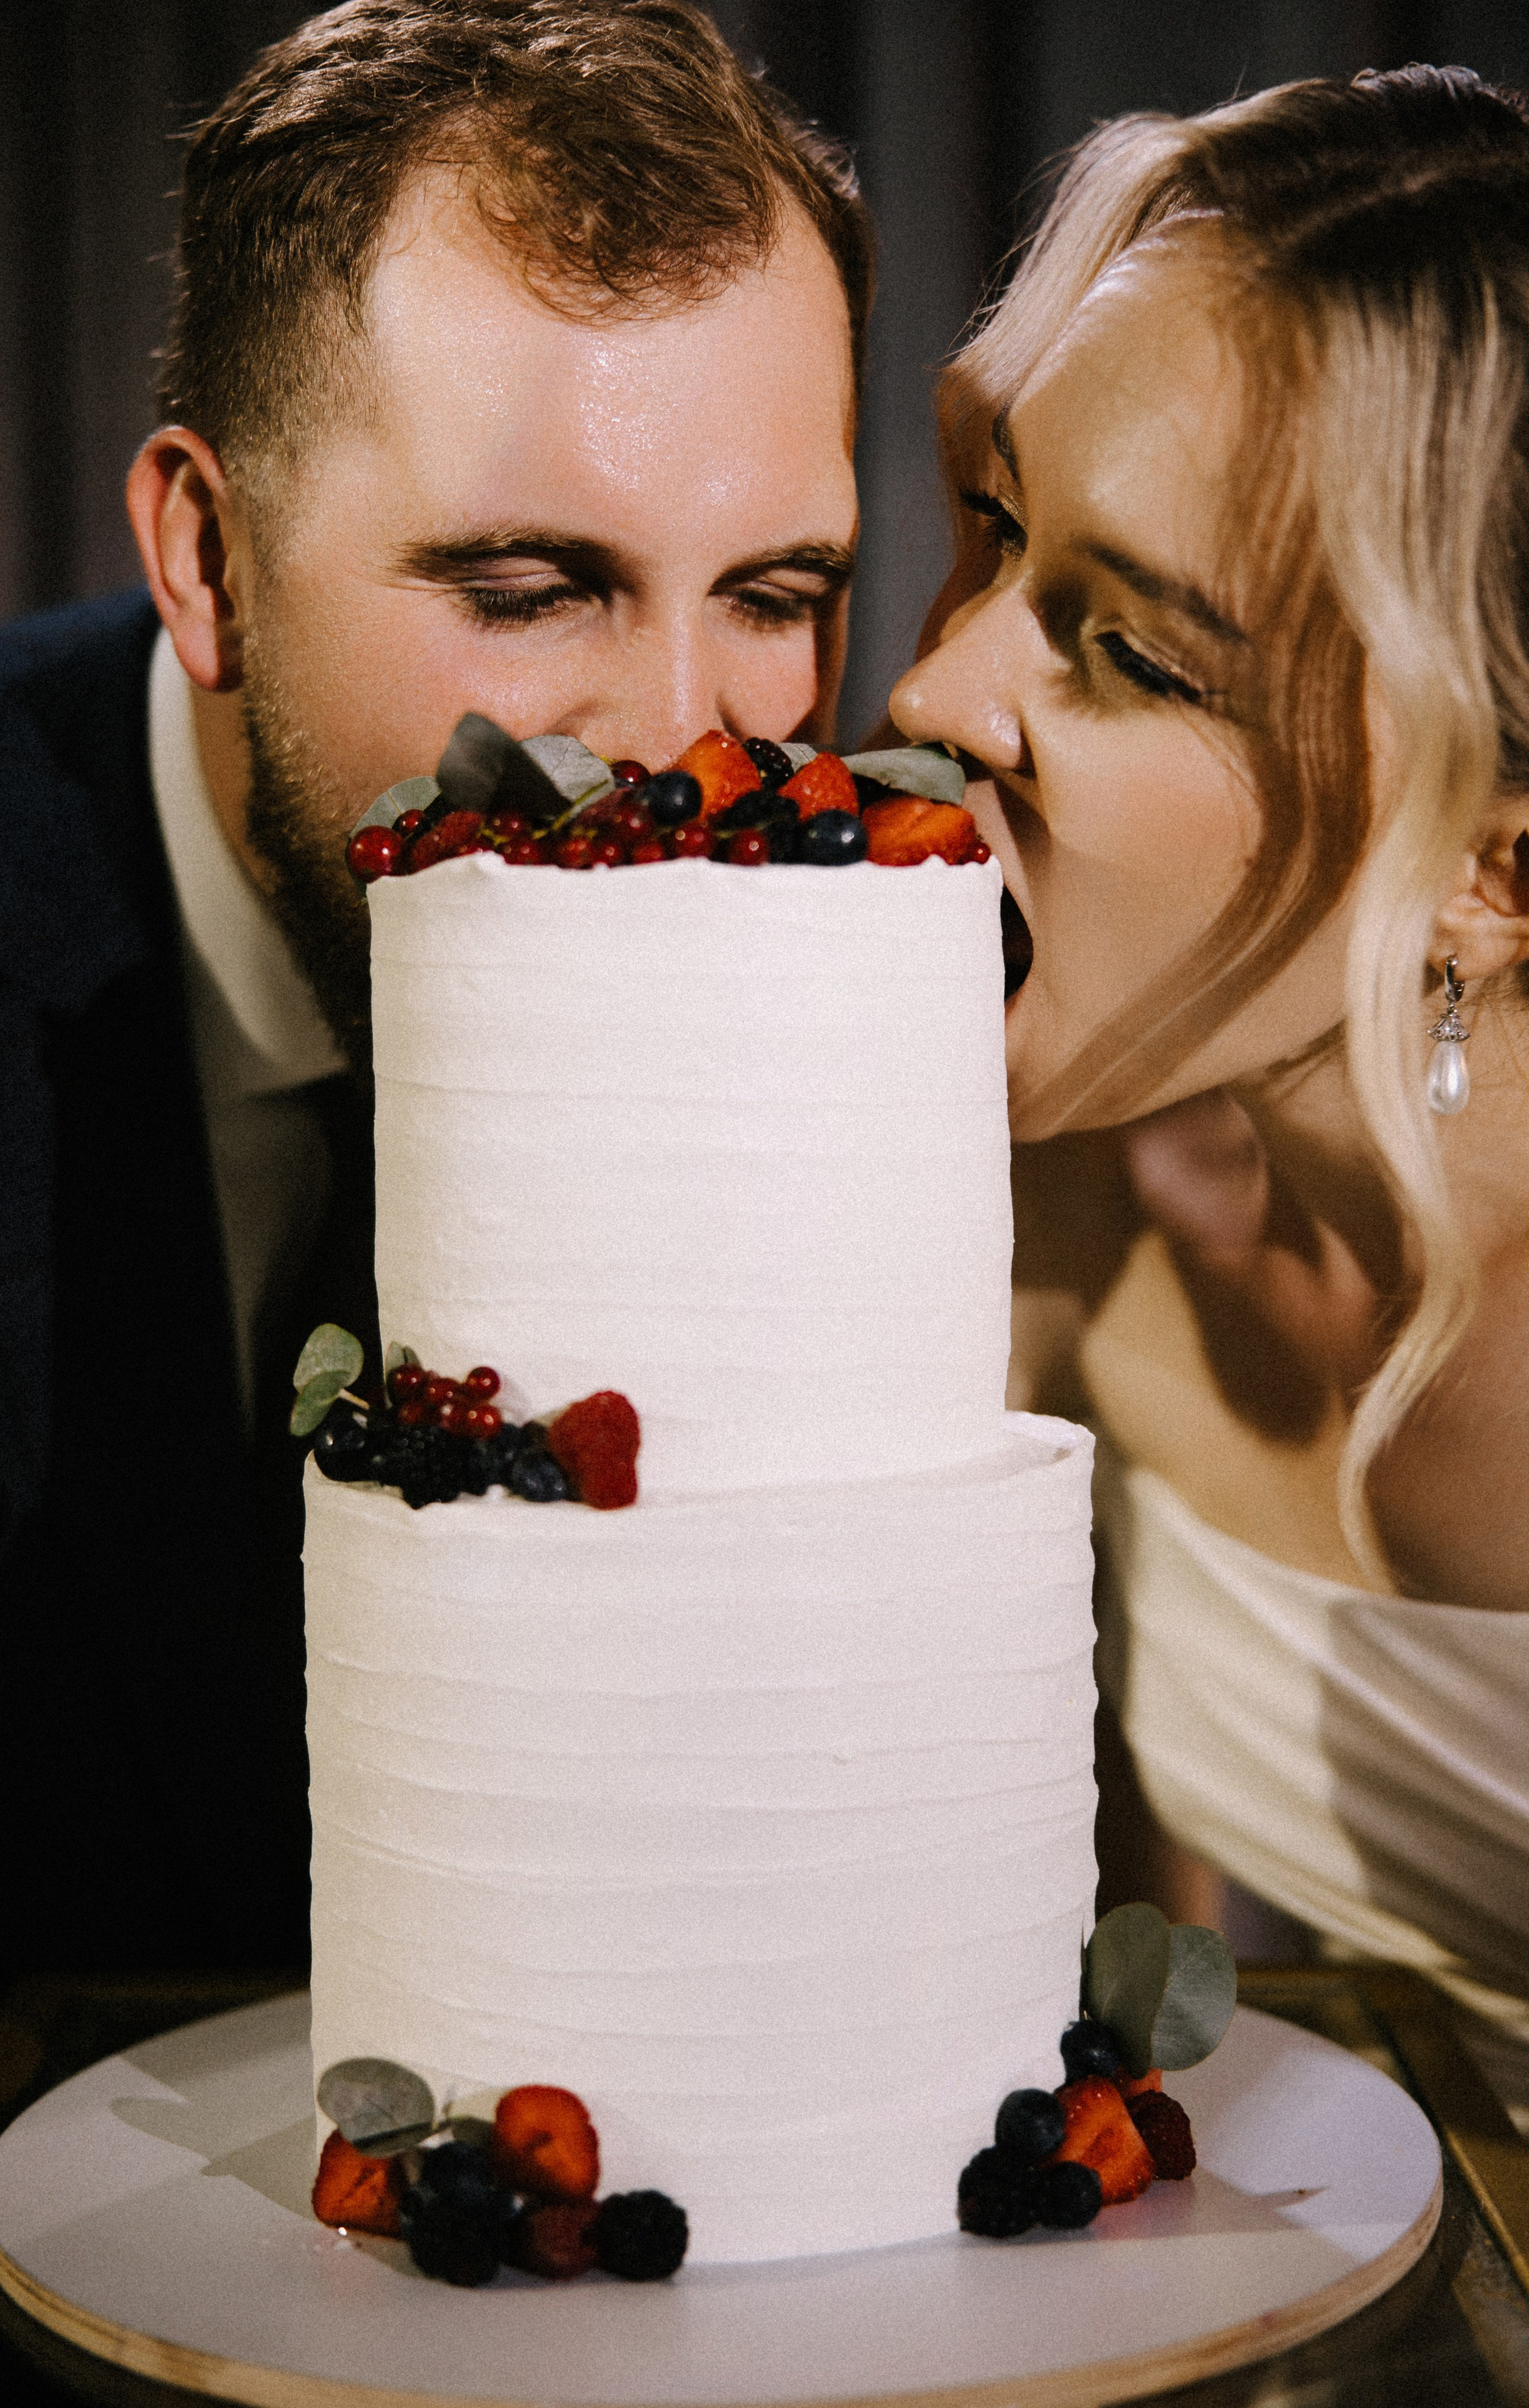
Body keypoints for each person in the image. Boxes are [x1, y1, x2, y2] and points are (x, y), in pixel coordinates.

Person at [0, 0, 869, 1977]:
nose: (674, 744)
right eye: (527, 589)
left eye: (776, 597)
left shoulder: (819, 1003)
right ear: (211, 558)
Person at [891, 66, 1529, 2187]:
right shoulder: (1050, 1189)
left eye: (1126, 650)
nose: (936, 689)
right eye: (999, 533)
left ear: (1505, 875)